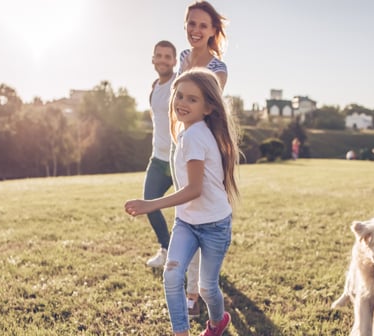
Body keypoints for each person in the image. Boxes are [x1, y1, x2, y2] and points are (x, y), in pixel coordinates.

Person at [125, 68, 240, 336]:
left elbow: (194, 190)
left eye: (192, 99)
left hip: (214, 225)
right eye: (180, 96)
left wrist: (150, 204)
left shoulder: (196, 136)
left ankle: (216, 322)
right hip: (187, 223)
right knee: (173, 276)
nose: (182, 103)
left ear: (209, 107)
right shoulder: (187, 133)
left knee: (207, 288)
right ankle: (181, 332)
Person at [177, 0, 229, 318]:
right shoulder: (183, 58)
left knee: (198, 215)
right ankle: (196, 288)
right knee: (186, 215)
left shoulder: (218, 69)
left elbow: (204, 109)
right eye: (191, 23)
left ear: (212, 32)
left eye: (203, 26)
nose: (196, 30)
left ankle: (194, 295)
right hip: (181, 144)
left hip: (205, 148)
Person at [143, 40, 178, 268]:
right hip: (158, 158)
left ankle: (192, 257)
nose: (163, 60)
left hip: (178, 159)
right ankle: (166, 249)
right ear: (153, 60)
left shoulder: (179, 83)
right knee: (149, 203)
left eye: (168, 56)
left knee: (189, 212)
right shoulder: (154, 87)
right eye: (159, 56)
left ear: (174, 61)